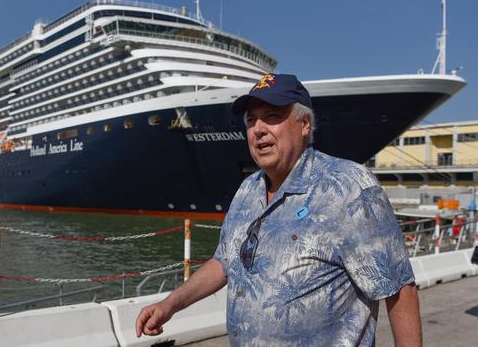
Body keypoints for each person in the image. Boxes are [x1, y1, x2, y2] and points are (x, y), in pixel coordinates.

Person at [135, 74, 421, 346]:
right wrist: (169, 304)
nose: (258, 129)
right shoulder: (248, 189)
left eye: (272, 117)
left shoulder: (347, 187)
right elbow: (224, 262)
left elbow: (399, 288)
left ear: (304, 124)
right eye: (251, 121)